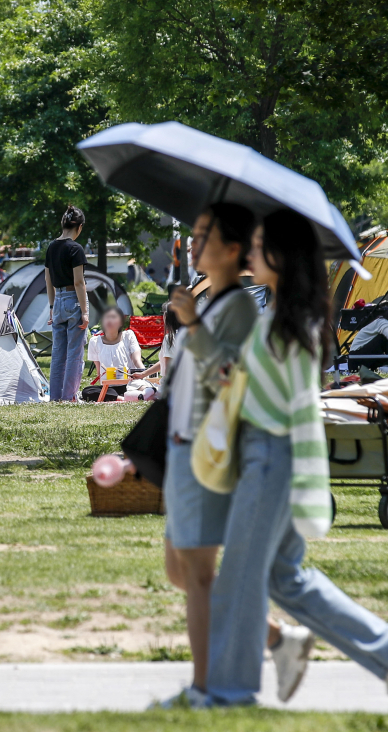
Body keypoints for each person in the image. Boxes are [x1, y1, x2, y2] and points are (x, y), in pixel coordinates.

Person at [204, 209, 388, 710]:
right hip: (267, 455)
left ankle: (229, 692)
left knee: (240, 576)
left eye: (258, 246)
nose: (250, 253)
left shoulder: (294, 321)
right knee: (284, 577)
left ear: (282, 255)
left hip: (271, 457)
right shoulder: (282, 314)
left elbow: (287, 402)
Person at [157, 202, 267, 706]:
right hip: (180, 447)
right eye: (194, 234)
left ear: (232, 250)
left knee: (197, 575)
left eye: (205, 235)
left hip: (206, 452)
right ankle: (276, 638)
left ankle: (205, 689)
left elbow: (226, 377)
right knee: (178, 571)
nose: (194, 243)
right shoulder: (210, 302)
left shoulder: (240, 306)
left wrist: (193, 325)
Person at [46, 206, 89, 401]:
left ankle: (55, 397)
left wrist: (52, 307)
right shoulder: (75, 248)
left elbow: (48, 280)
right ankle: (70, 396)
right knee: (74, 353)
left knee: (57, 354)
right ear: (79, 227)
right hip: (73, 301)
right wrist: (85, 311)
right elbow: (79, 282)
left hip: (58, 302)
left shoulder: (51, 247)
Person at [87, 305, 143, 401]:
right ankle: (123, 399)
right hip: (108, 386)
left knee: (142, 388)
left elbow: (137, 360)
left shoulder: (128, 336)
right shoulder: (95, 341)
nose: (109, 321)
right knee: (87, 391)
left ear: (121, 322)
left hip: (129, 383)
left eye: (113, 317)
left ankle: (120, 397)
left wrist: (144, 374)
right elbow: (99, 371)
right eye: (106, 317)